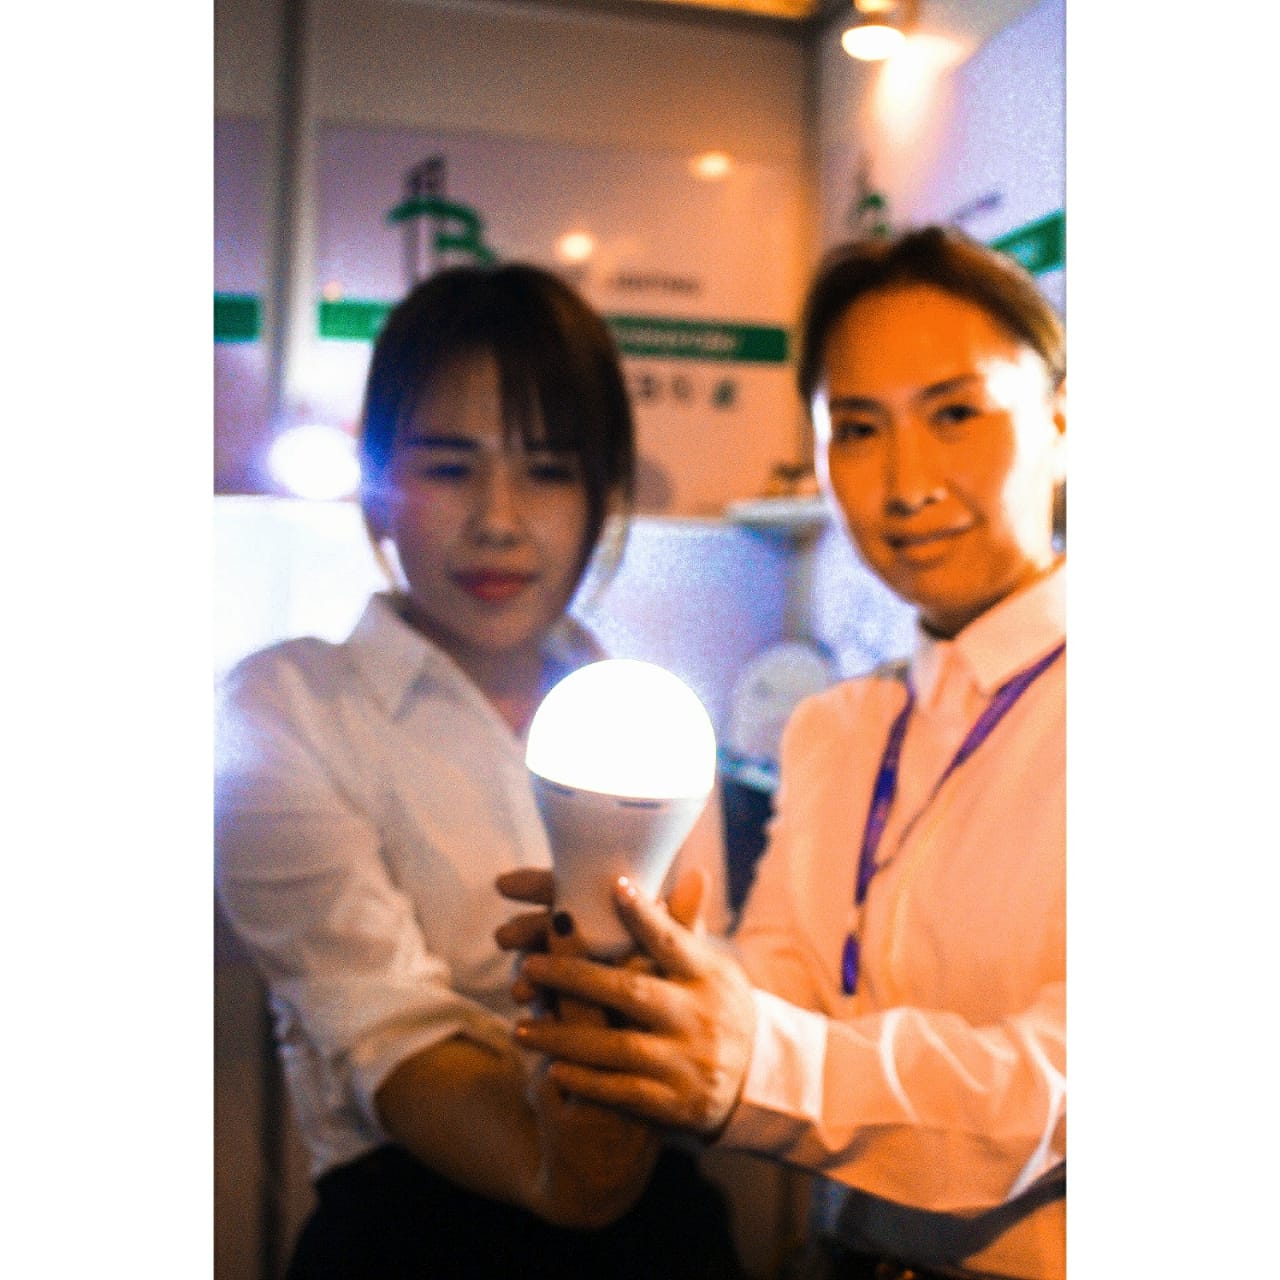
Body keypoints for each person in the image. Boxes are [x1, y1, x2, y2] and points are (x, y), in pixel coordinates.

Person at [500, 226, 1067, 1280]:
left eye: (954, 413)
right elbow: (785, 978)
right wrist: (647, 974)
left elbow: (1063, 1082)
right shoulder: (838, 726)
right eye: (856, 427)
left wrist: (754, 1063)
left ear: (1063, 421)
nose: (904, 482)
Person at [215, 262, 743, 1279]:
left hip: (661, 1226)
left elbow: (704, 977)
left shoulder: (648, 717)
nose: (499, 518)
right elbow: (384, 1029)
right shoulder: (287, 706)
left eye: (546, 469)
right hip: (410, 1231)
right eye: (450, 467)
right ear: (379, 487)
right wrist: (566, 1171)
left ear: (602, 493)